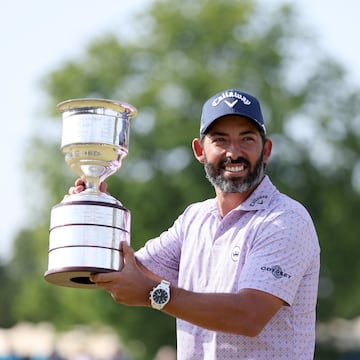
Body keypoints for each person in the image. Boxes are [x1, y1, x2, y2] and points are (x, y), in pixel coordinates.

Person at [70, 89, 320, 359]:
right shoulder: (194, 220)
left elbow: (249, 315)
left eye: (246, 139)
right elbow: (127, 272)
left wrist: (153, 295)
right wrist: (92, 212)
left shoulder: (285, 219)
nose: (233, 153)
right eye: (220, 140)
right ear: (200, 151)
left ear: (266, 149)